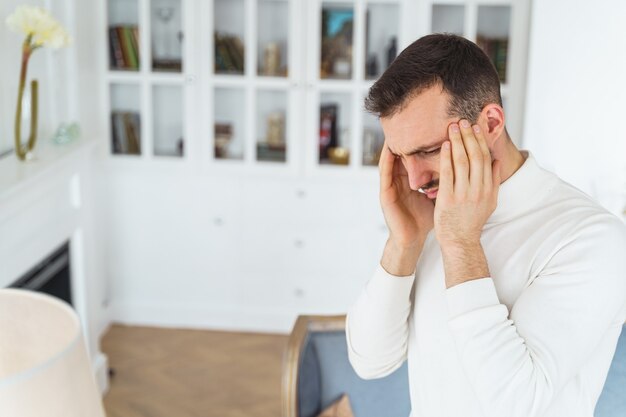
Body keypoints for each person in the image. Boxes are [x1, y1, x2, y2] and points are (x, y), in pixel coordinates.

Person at [346, 33, 626, 417]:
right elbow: (369, 362)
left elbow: (516, 403)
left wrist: (461, 244)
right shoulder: (429, 214)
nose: (413, 180)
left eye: (427, 151)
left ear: (491, 122)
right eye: (400, 155)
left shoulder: (592, 239)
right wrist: (404, 241)